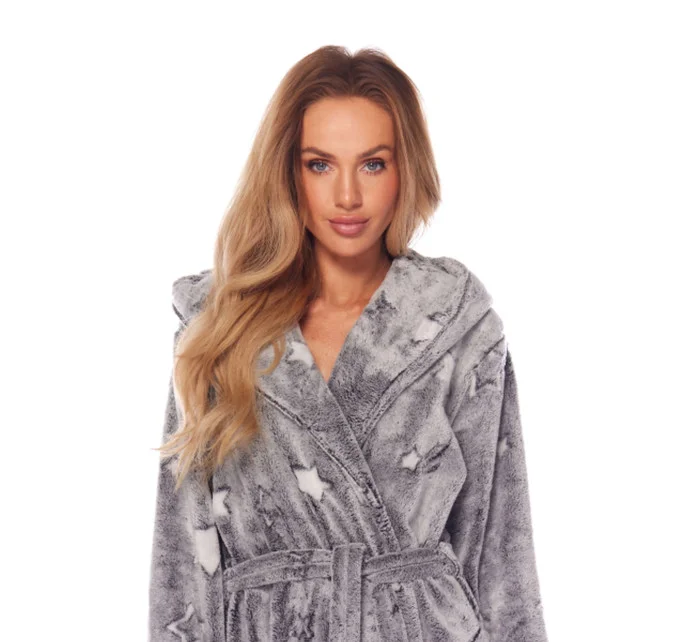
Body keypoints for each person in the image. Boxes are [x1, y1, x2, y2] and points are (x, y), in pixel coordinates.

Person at [148, 45, 549, 642]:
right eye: (319, 164)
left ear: (406, 169)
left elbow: (500, 558)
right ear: (287, 172)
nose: (347, 196)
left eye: (373, 164)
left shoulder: (456, 328)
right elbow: (183, 562)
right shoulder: (220, 330)